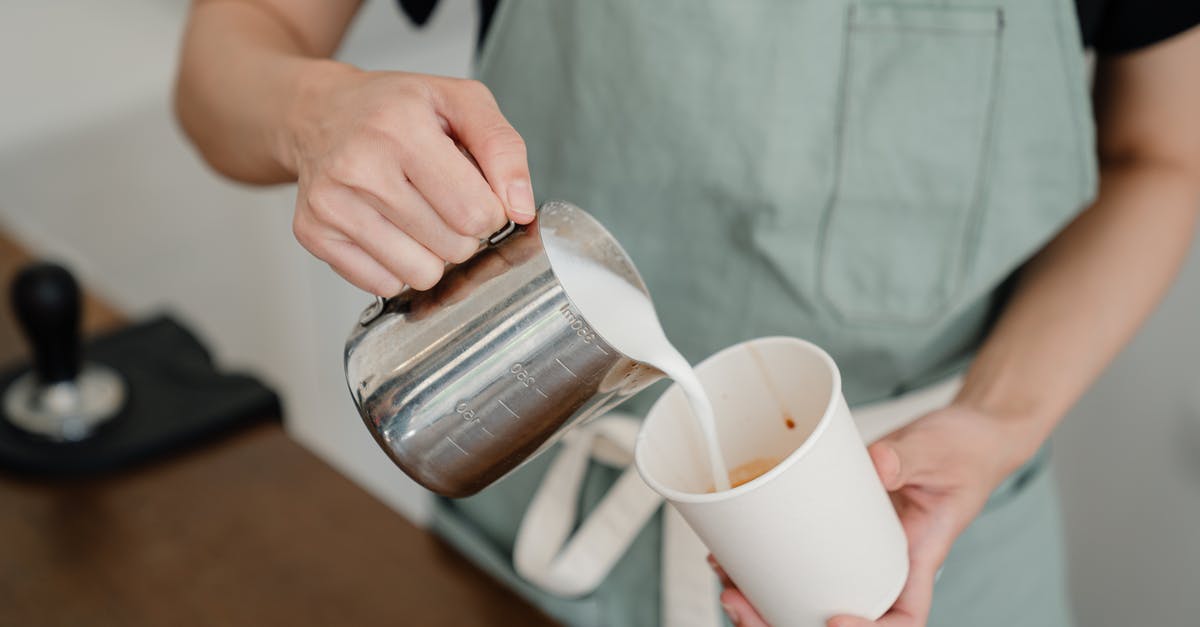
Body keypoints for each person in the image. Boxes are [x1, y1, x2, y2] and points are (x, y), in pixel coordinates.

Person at [174, 1, 1200, 625]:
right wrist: (313, 111)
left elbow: (1167, 151)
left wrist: (996, 423)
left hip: (932, 530)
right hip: (541, 549)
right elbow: (227, 52)